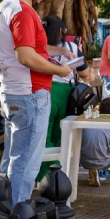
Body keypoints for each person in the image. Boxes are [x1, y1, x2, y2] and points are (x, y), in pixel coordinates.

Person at [0, 0, 72, 206]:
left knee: (11, 161)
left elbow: (28, 47)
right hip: (30, 94)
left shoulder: (5, 5)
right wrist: (60, 72)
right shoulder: (23, 12)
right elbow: (25, 55)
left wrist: (56, 55)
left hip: (13, 92)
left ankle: (1, 216)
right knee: (25, 165)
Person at [37, 14, 91, 182]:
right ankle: (55, 176)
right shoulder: (71, 47)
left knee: (43, 137)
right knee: (57, 137)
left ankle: (42, 176)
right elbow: (85, 73)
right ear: (61, 31)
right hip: (66, 95)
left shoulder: (38, 48)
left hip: (45, 91)